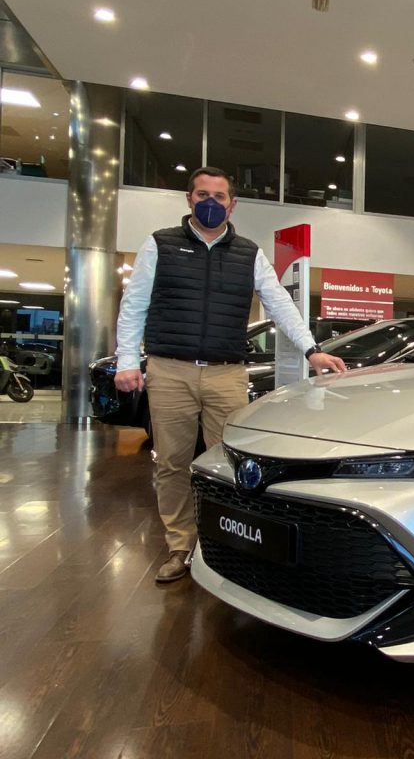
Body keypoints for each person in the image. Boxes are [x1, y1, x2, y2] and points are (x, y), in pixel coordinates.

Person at [114, 166, 346, 583]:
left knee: (233, 464)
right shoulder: (159, 245)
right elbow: (134, 306)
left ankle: (226, 543)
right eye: (202, 194)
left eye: (219, 196)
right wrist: (127, 361)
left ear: (231, 203)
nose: (210, 202)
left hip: (227, 374)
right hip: (170, 371)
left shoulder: (249, 253)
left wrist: (312, 349)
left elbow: (279, 305)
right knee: (172, 462)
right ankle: (181, 545)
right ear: (189, 198)